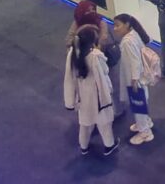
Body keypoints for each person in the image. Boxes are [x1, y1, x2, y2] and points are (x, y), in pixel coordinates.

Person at [64, 25, 120, 156]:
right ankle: (109, 145)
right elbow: (105, 71)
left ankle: (83, 146)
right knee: (104, 122)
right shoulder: (95, 56)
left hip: (82, 95)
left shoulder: (72, 54)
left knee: (85, 123)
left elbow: (69, 77)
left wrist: (70, 101)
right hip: (98, 95)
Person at [113, 13, 155, 145]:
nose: (115, 29)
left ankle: (144, 132)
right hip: (141, 76)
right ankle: (145, 122)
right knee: (142, 101)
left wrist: (134, 80)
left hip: (134, 78)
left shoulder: (127, 42)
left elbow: (134, 61)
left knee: (137, 104)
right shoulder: (135, 35)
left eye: (117, 25)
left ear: (126, 25)